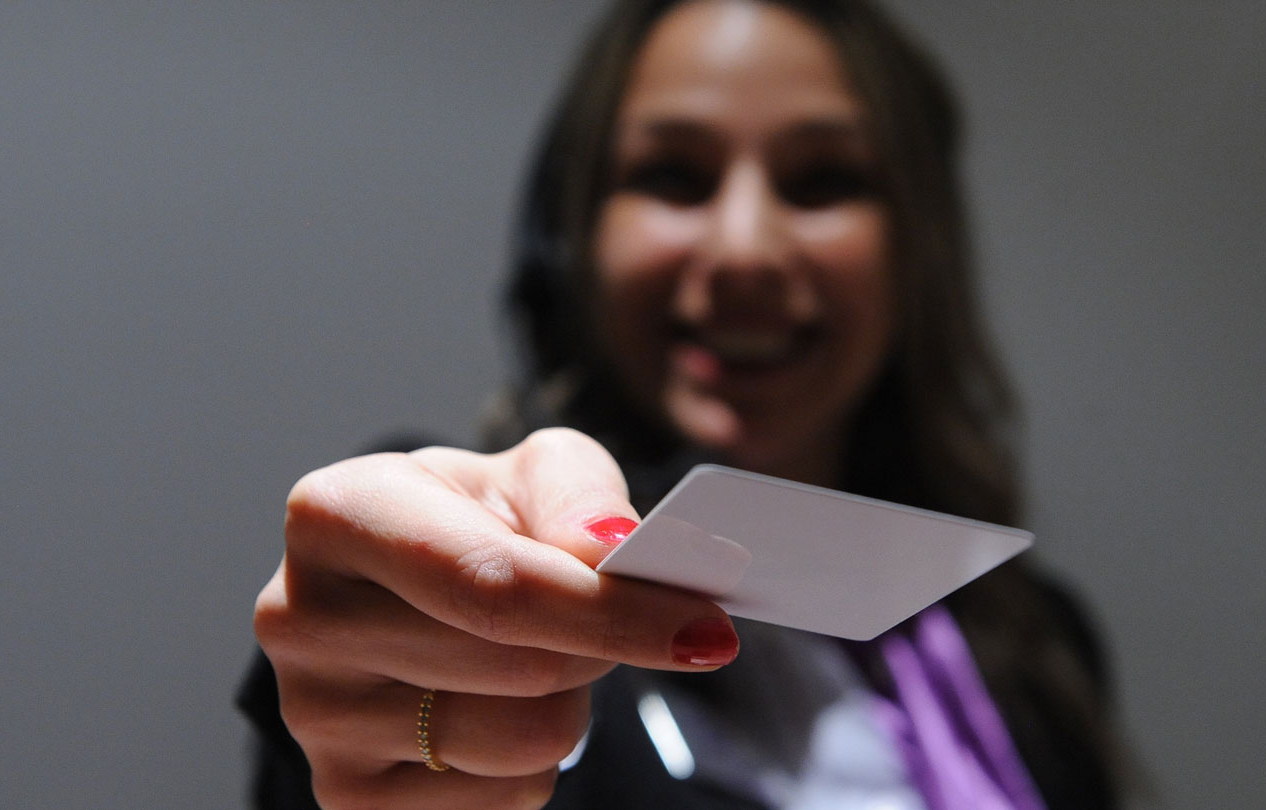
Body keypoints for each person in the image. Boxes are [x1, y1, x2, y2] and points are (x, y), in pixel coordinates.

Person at [240, 0, 1125, 807]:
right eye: (672, 174)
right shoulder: (447, 594)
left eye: (821, 181)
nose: (745, 249)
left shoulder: (1035, 646)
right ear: (573, 239)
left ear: (916, 252)